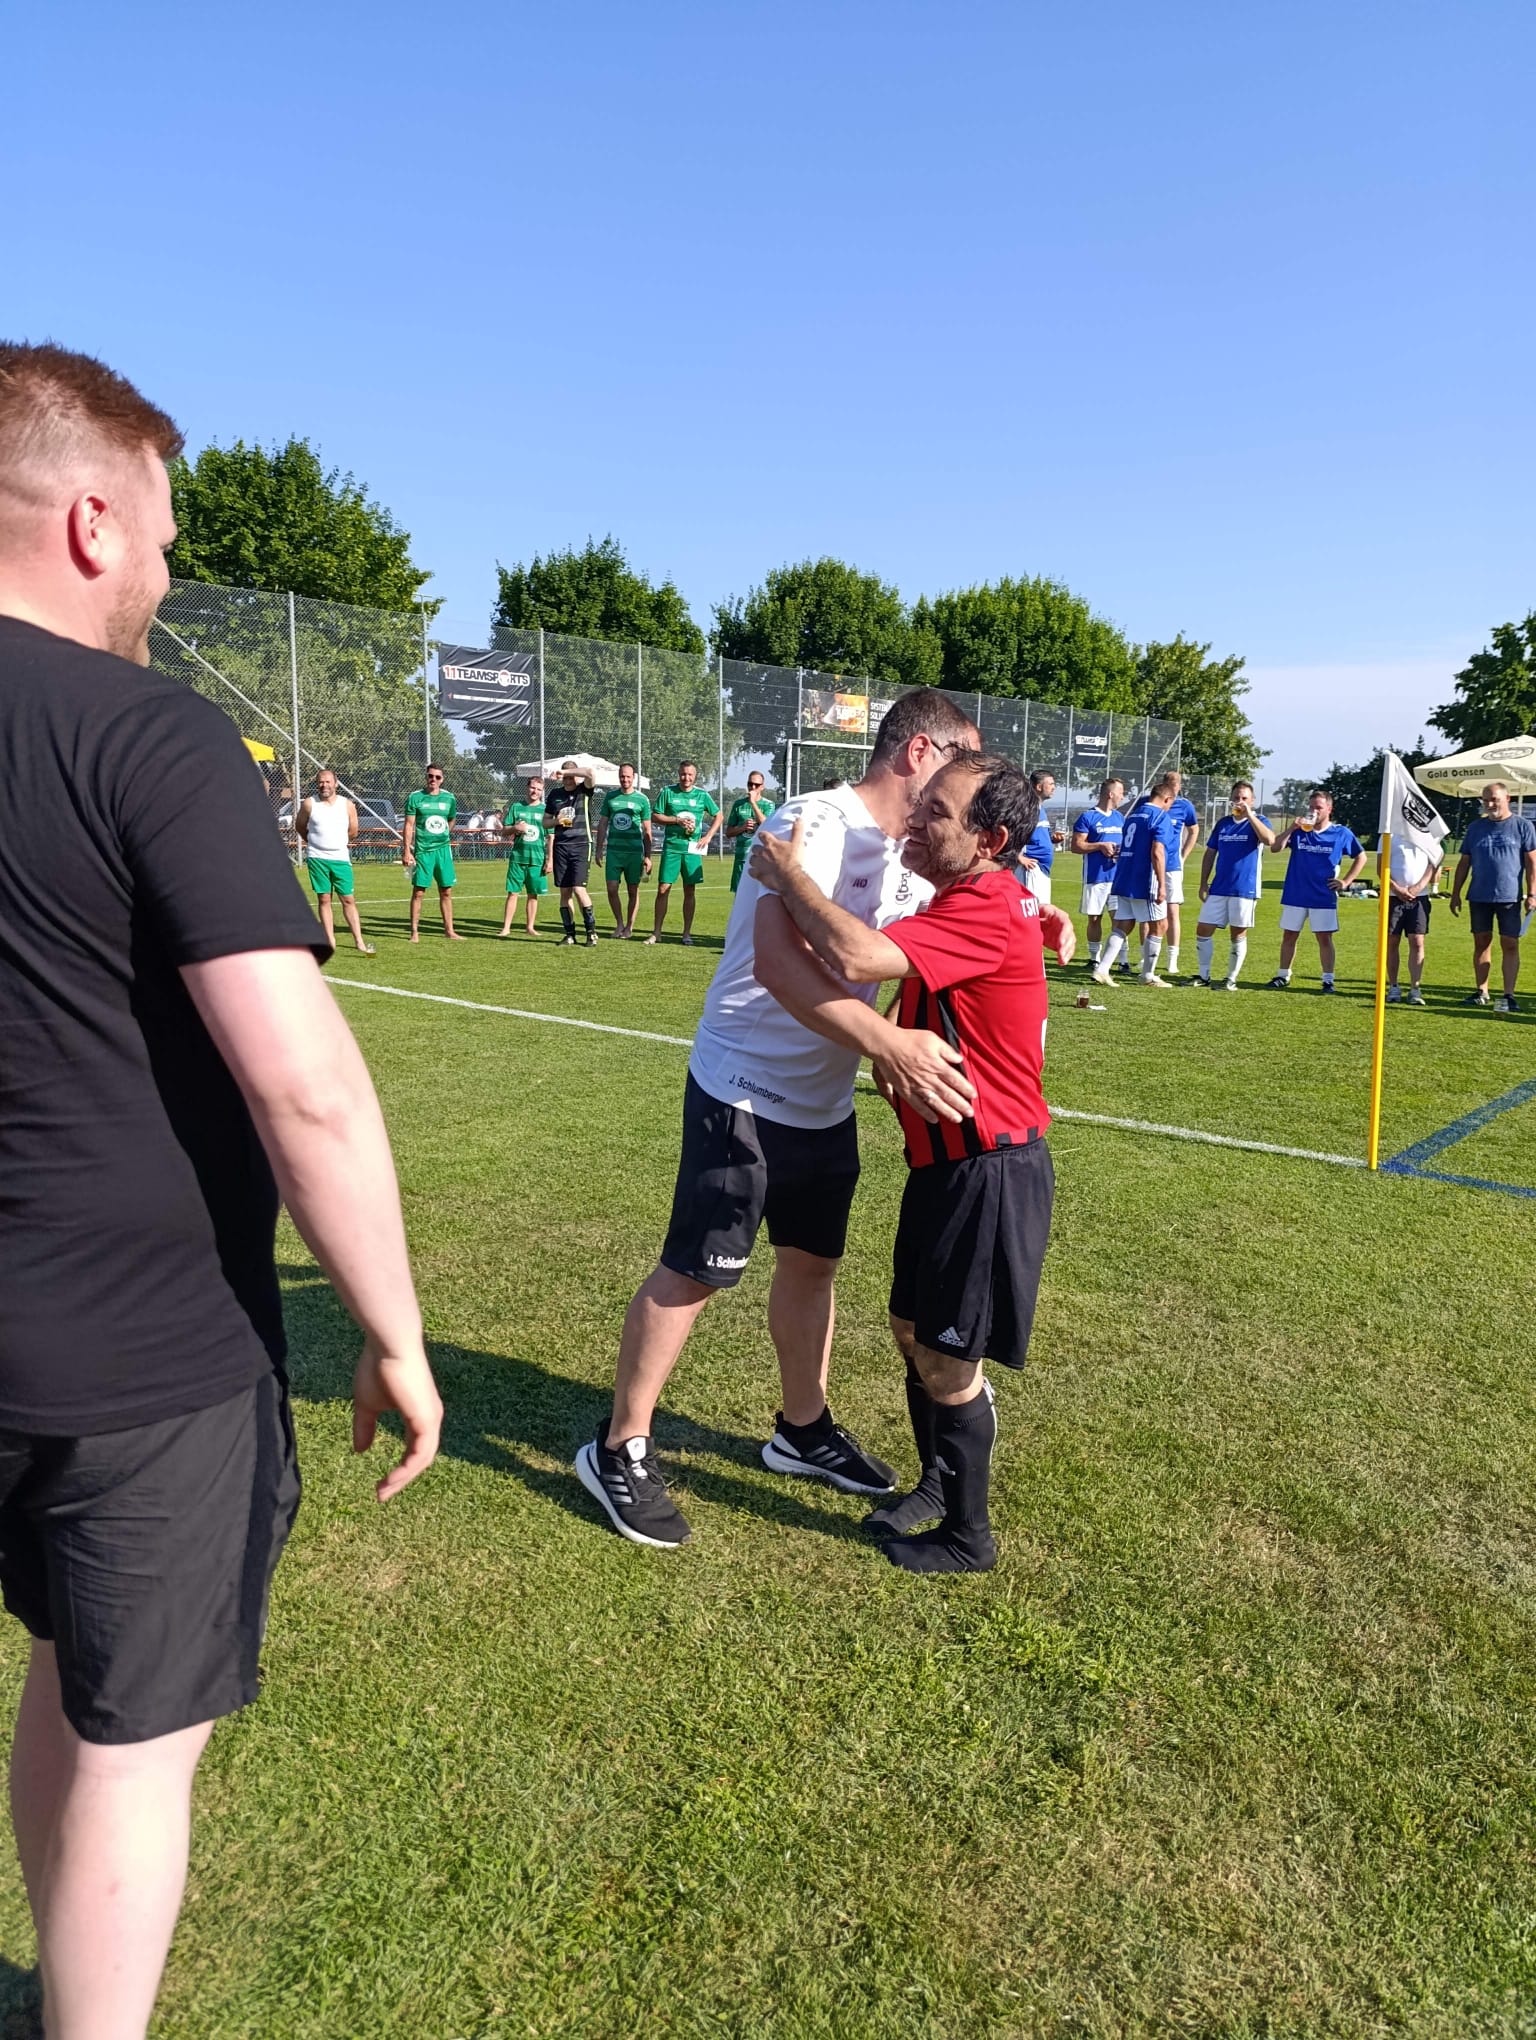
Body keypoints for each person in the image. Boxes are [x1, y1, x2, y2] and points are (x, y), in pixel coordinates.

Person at [0, 340, 442, 2039]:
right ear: (93, 522)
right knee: (135, 1744)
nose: (170, 578)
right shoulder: (151, 736)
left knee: (68, 1668)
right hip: (143, 1359)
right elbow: (303, 1082)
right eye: (167, 538)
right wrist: (394, 1331)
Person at [575, 690, 986, 1550]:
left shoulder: (910, 848)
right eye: (962, 761)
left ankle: (802, 1429)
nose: (969, 783)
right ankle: (618, 1448)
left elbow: (931, 933)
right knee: (696, 1271)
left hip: (822, 1102)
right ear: (919, 752)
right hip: (744, 1090)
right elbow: (777, 962)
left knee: (812, 1265)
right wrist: (886, 1043)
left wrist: (1026, 905)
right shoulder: (816, 822)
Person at [752, 756, 1071, 1573]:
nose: (915, 822)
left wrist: (789, 878)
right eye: (921, 804)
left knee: (948, 1362)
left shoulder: (984, 906)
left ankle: (968, 1537)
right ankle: (937, 1483)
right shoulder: (976, 896)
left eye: (938, 814)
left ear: (989, 840)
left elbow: (857, 955)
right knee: (912, 1332)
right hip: (944, 1167)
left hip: (988, 1171)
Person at [1264, 791, 1366, 992]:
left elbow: (1361, 856)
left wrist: (1345, 881)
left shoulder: (1341, 833)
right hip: (1296, 893)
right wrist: (1291, 828)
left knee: (1324, 938)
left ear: (1329, 809)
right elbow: (1275, 847)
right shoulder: (1300, 830)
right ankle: (1283, 975)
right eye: (1311, 807)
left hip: (1323, 895)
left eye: (1318, 807)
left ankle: (1328, 980)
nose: (1313, 811)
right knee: (1289, 935)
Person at [1449, 782, 1536, 1013]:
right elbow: (1464, 862)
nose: (1489, 804)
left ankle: (1508, 995)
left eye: (1494, 799)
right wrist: (1455, 893)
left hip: (1509, 896)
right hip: (1479, 895)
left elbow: (1532, 862)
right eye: (1485, 800)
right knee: (1481, 943)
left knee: (1510, 944)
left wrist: (1532, 893)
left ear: (1507, 799)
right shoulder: (1475, 828)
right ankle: (1482, 991)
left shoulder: (1522, 826)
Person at [1088, 780, 1180, 987]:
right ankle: (1147, 975)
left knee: (1124, 924)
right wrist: (1162, 885)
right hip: (1144, 879)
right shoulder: (1160, 817)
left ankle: (1101, 970)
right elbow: (1157, 851)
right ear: (1167, 799)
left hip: (1124, 876)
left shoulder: (1132, 816)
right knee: (1160, 924)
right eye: (1170, 803)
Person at [1191, 781, 1275, 988]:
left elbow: (1269, 840)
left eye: (1244, 798)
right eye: (1236, 797)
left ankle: (1231, 979)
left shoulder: (1259, 820)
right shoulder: (1224, 823)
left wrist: (1250, 816)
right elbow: (1210, 853)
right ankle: (1203, 976)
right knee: (1203, 929)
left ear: (1252, 801)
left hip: (1244, 888)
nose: (1240, 801)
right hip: (1219, 887)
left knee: (1237, 933)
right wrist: (1203, 882)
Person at [295, 768, 375, 955]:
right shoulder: (309, 804)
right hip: (317, 858)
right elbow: (300, 826)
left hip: (340, 858)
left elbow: (353, 831)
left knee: (348, 899)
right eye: (321, 782)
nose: (324, 785)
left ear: (336, 784)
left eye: (328, 781)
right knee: (324, 898)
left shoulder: (347, 805)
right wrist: (314, 842)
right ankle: (330, 940)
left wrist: (337, 843)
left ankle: (359, 940)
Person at [1128, 771, 1200, 975]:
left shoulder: (1184, 805)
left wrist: (1183, 855)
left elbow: (1194, 829)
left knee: (1172, 911)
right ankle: (1145, 956)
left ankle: (1172, 959)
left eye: (1177, 785)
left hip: (1172, 866)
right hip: (1148, 864)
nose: (1174, 788)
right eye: (1171, 784)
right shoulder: (1147, 803)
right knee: (1145, 913)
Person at [647, 760, 721, 945]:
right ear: (678, 774)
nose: (686, 777)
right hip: (672, 847)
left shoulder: (702, 795)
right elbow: (655, 815)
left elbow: (718, 816)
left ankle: (686, 934)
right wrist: (676, 820)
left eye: (689, 774)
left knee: (690, 890)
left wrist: (708, 837)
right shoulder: (668, 792)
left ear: (695, 776)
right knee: (663, 889)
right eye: (683, 774)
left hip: (692, 849)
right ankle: (656, 933)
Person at [1382, 815, 1443, 1006]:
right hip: (1393, 897)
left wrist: (1418, 887)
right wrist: (1397, 889)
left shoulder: (1427, 835)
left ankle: (1415, 988)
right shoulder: (1389, 835)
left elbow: (1433, 863)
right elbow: (1381, 867)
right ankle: (1393, 986)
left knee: (1417, 941)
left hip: (1419, 897)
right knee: (1391, 941)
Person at [403, 765, 463, 942]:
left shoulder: (449, 798)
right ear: (426, 777)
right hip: (423, 851)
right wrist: (406, 850)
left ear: (442, 779)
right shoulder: (415, 797)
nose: (433, 779)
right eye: (430, 776)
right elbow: (408, 825)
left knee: (446, 891)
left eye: (437, 777)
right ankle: (414, 932)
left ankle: (449, 931)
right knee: (419, 891)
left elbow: (452, 819)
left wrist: (445, 833)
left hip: (443, 850)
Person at [543, 759, 599, 947]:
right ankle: (569, 934)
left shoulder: (584, 790)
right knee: (565, 891)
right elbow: (545, 822)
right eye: (565, 777)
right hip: (561, 845)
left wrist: (566, 772)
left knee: (578, 888)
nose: (568, 780)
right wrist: (556, 821)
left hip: (581, 844)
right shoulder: (555, 795)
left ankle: (591, 933)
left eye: (571, 776)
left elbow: (590, 772)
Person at [1071, 776, 1124, 967]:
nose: (1123, 796)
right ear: (1110, 794)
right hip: (1095, 877)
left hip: (1117, 878)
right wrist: (1100, 846)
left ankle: (1122, 961)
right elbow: (1076, 846)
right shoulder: (1088, 817)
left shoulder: (1120, 818)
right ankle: (1094, 958)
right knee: (1094, 918)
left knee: (1119, 919)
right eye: (1120, 792)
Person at [596, 762, 653, 937]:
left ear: (633, 777)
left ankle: (629, 927)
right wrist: (598, 848)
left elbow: (647, 830)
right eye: (622, 776)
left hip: (634, 853)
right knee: (612, 888)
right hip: (614, 852)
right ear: (618, 776)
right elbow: (603, 823)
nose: (625, 779)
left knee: (633, 890)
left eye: (628, 776)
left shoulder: (642, 799)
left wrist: (648, 856)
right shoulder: (611, 797)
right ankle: (619, 923)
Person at [498, 774, 549, 937]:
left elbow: (551, 836)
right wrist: (515, 828)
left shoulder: (546, 810)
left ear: (542, 791)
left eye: (539, 789)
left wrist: (550, 860)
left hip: (537, 859)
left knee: (533, 894)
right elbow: (504, 831)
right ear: (527, 787)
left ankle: (530, 927)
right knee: (513, 893)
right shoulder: (516, 807)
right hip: (518, 857)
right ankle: (506, 928)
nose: (535, 791)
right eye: (533, 787)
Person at [1016, 768, 1061, 904]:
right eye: (1051, 784)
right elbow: (1011, 833)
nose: (1054, 787)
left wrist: (1052, 839)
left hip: (1041, 869)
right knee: (1033, 909)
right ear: (1039, 787)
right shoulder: (1027, 809)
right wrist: (1019, 857)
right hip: (1030, 867)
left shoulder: (1039, 808)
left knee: (1042, 910)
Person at [725, 772, 775, 892]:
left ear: (762, 787)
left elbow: (765, 824)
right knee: (739, 895)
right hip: (741, 858)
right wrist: (742, 828)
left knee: (760, 896)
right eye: (750, 784)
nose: (752, 787)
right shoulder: (738, 804)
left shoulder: (768, 804)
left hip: (761, 859)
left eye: (756, 785)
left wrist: (752, 802)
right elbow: (729, 832)